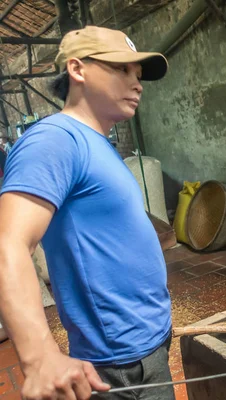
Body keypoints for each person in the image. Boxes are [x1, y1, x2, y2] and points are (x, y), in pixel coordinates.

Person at [0, 26, 174, 400]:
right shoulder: (55, 139)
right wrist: (39, 357)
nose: (137, 83)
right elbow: (7, 242)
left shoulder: (99, 144)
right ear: (78, 70)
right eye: (123, 70)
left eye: (139, 75)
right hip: (120, 365)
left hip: (149, 342)